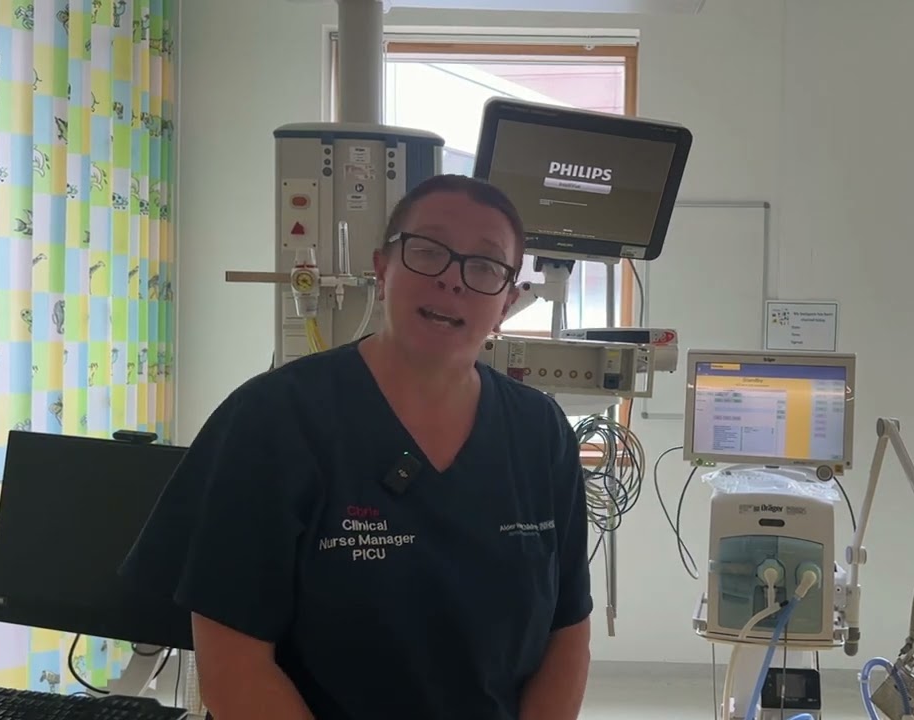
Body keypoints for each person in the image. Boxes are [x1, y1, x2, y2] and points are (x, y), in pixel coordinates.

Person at [121, 174, 593, 720]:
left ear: (508, 300)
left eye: (485, 265)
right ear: (382, 267)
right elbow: (234, 669)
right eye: (427, 251)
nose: (452, 280)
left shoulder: (541, 432)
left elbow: (568, 634)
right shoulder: (273, 420)